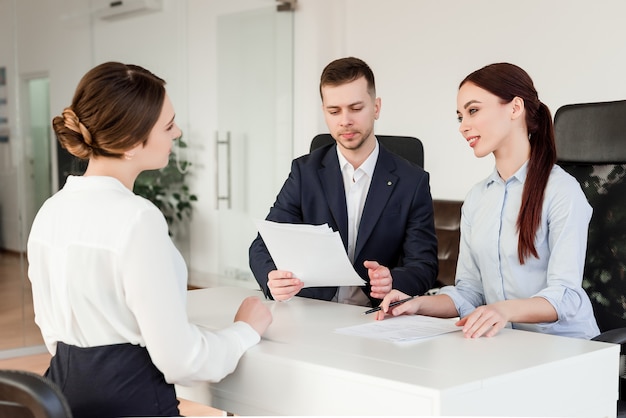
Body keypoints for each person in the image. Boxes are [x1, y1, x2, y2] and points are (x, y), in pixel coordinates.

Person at [27, 62, 273, 418]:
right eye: (169, 125)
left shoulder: (50, 211)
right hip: (134, 405)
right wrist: (244, 330)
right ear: (130, 142)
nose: (178, 132)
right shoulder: (137, 218)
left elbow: (53, 336)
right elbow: (181, 360)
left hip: (63, 400)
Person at [376, 62, 600, 340]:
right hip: (506, 346)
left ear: (515, 108)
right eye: (460, 117)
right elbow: (469, 292)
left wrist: (503, 310)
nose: (463, 127)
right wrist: (417, 303)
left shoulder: (562, 191)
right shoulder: (477, 198)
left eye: (473, 111)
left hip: (564, 347)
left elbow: (565, 297)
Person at [249, 57, 438, 307]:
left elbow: (424, 264)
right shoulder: (305, 172)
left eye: (356, 108)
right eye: (334, 111)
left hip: (373, 315)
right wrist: (271, 278)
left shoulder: (412, 181)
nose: (345, 121)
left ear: (376, 107)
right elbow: (262, 246)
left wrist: (393, 280)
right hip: (313, 311)